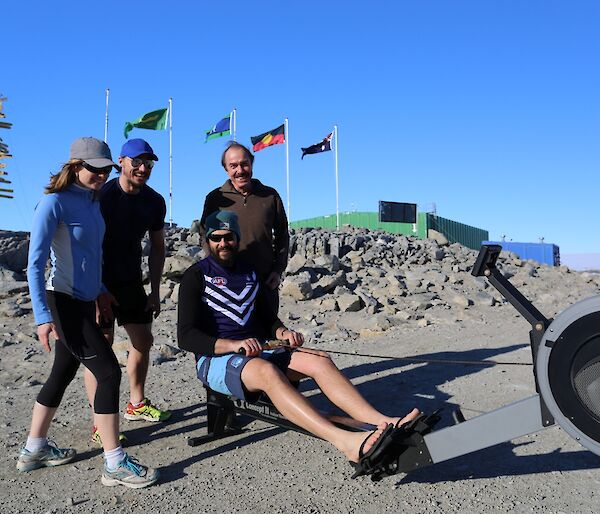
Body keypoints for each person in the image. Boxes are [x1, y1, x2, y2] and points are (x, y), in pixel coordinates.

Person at [177, 210, 420, 476]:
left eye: (229, 238)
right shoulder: (196, 276)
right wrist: (232, 346)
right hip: (215, 360)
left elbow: (267, 319)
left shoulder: (250, 272)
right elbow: (186, 336)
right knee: (267, 372)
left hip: (256, 351)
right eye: (217, 238)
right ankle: (346, 442)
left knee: (319, 359)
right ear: (208, 240)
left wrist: (283, 332)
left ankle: (383, 422)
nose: (223, 243)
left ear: (237, 238)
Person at [19, 137, 158, 488]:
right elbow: (34, 265)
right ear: (75, 166)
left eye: (105, 169)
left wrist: (99, 291)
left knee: (62, 373)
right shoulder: (53, 204)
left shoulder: (94, 201)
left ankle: (34, 448)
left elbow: (89, 257)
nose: (100, 175)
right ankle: (114, 462)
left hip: (86, 298)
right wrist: (42, 317)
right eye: (94, 168)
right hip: (61, 302)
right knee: (109, 373)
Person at [84, 138, 170, 444]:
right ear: (121, 161)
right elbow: (86, 244)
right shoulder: (101, 196)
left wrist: (155, 290)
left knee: (143, 340)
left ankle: (136, 403)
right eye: (137, 161)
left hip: (132, 281)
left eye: (148, 163)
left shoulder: (155, 201)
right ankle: (99, 422)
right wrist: (95, 289)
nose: (143, 168)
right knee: (101, 351)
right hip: (98, 283)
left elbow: (158, 248)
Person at [200, 142, 289, 313]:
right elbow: (205, 234)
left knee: (267, 335)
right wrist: (213, 267)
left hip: (264, 281)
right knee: (232, 334)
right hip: (227, 282)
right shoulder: (215, 198)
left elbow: (282, 235)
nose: (240, 170)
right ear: (226, 169)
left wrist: (278, 270)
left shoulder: (270, 196)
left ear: (251, 164)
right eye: (233, 166)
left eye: (244, 164)